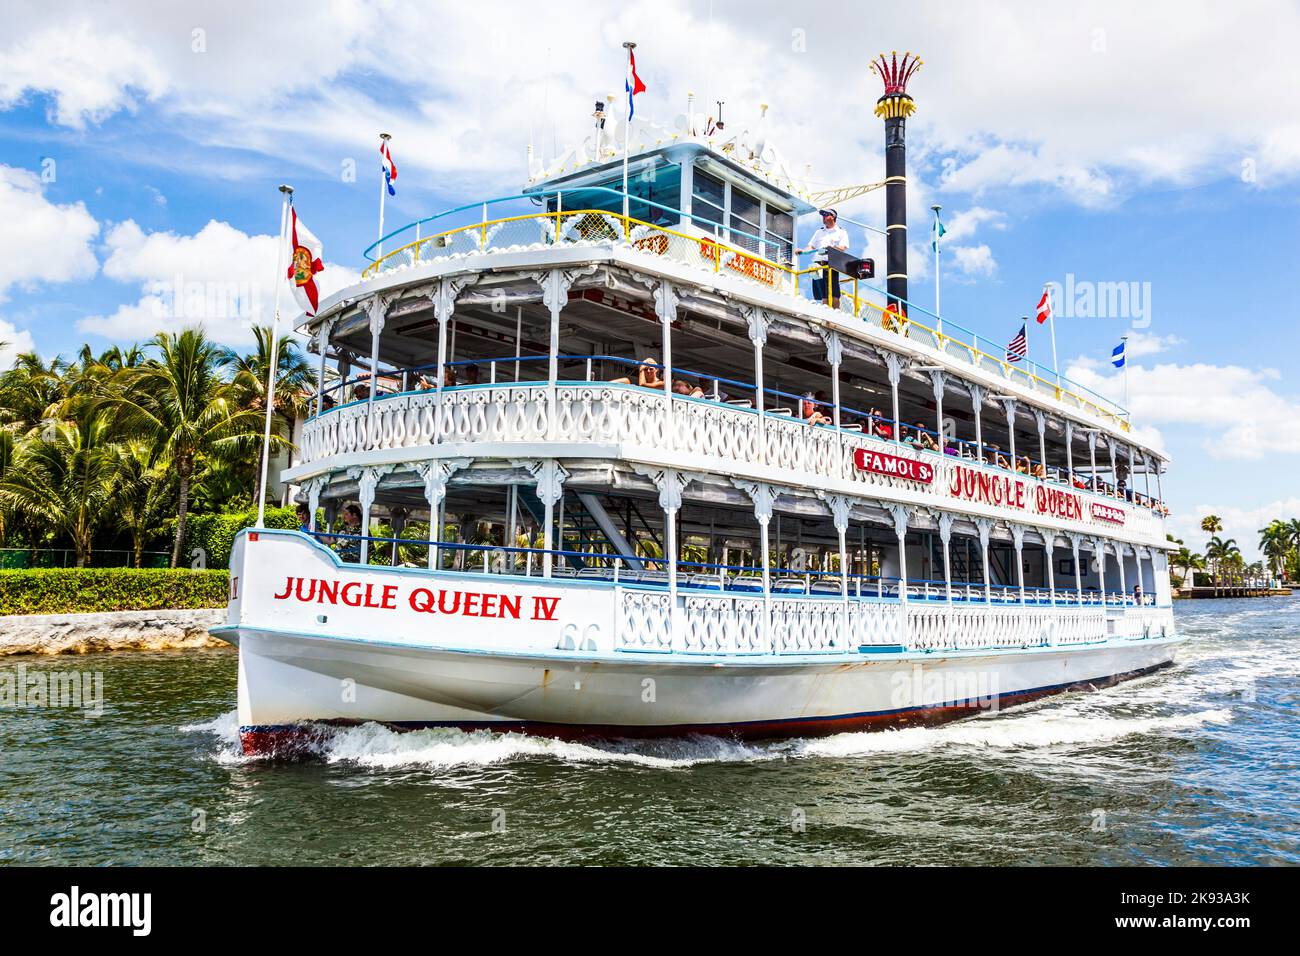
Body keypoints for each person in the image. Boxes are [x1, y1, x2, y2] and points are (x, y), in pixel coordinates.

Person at [798, 208, 849, 308]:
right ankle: (827, 315)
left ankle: (836, 314)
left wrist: (830, 249)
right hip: (817, 264)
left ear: (833, 217)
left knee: (834, 293)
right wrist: (803, 251)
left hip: (831, 264)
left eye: (826, 215)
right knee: (823, 295)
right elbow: (811, 246)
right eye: (823, 216)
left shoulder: (841, 232)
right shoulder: (819, 232)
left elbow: (843, 247)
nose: (823, 218)